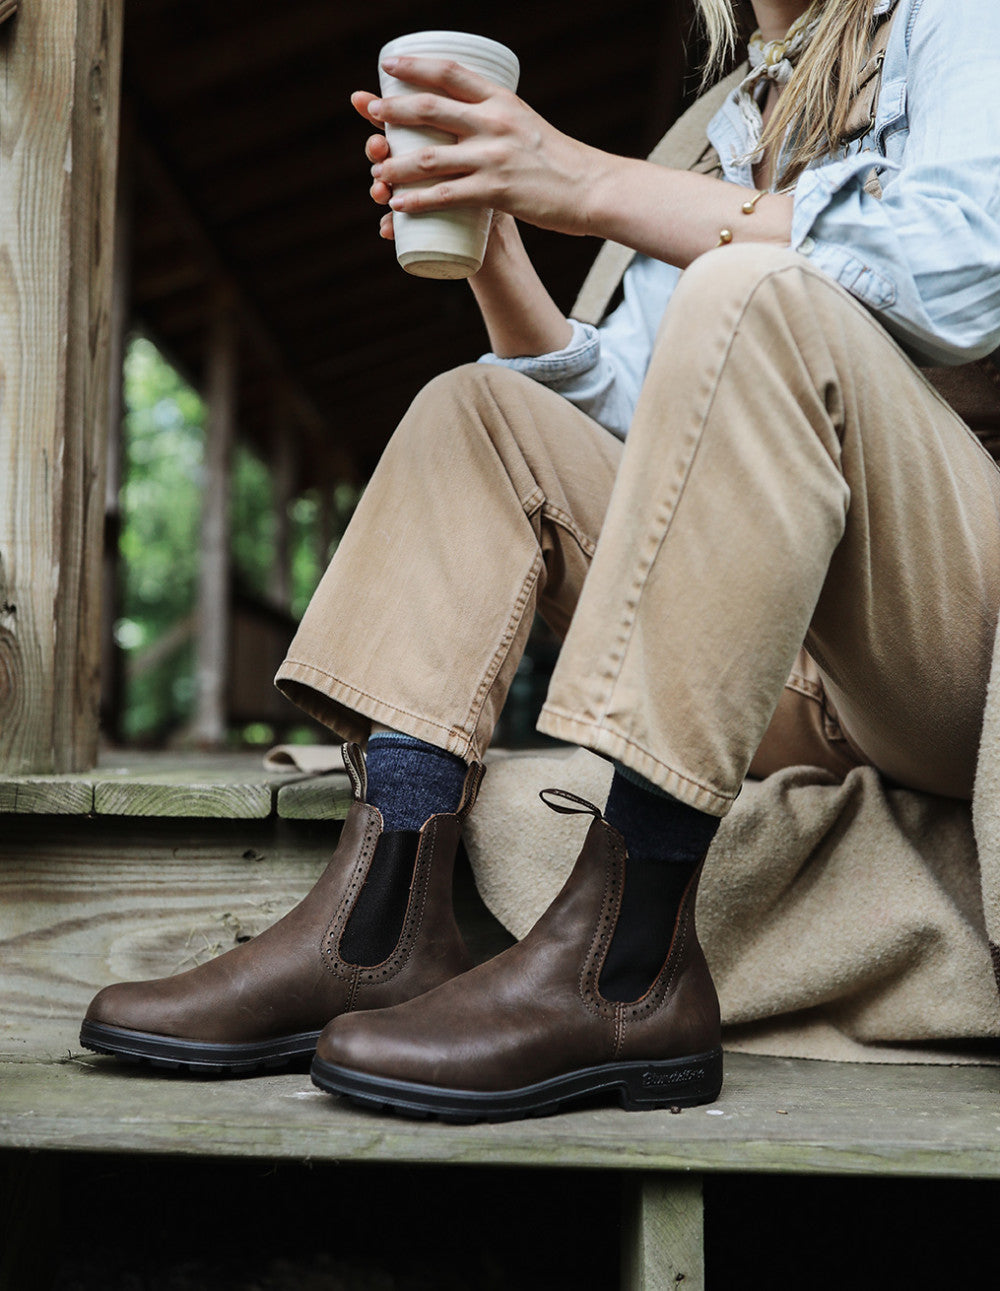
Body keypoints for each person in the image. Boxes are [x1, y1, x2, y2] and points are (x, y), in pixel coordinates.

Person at [81, 0, 1000, 1121]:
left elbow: (965, 271)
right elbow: (651, 403)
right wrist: (500, 244)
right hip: (773, 659)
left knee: (749, 286)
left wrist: (587, 181)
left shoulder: (955, 19)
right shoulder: (729, 115)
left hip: (947, 650)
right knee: (480, 408)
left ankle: (628, 961)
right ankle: (375, 922)